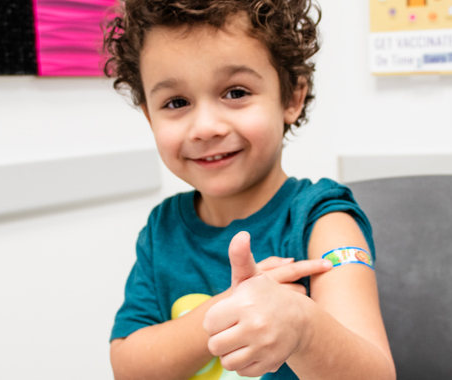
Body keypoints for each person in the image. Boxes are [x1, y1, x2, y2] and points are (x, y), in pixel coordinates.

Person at [103, 1, 395, 379]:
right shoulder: (162, 232)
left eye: (236, 92)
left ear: (291, 97)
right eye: (176, 102)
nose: (206, 127)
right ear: (149, 115)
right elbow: (129, 368)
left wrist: (303, 330)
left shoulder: (323, 221)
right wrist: (225, 309)